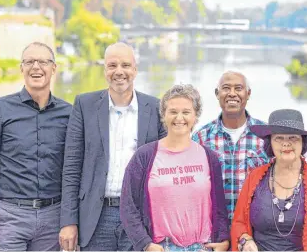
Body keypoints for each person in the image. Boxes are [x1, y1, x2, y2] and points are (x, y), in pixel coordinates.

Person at [59, 42, 166, 251]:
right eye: (112, 65)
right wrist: (68, 221)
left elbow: (166, 167)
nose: (119, 72)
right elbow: (71, 168)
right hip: (95, 217)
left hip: (139, 216)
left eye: (126, 65)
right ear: (104, 70)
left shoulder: (155, 108)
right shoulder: (84, 105)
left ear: (135, 69)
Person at [0, 42, 72, 251]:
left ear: (53, 68)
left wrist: (70, 220)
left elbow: (74, 170)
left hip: (53, 218)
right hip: (9, 219)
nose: (36, 67)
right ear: (21, 69)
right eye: (29, 62)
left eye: (43, 62)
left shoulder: (70, 113)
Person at [120, 84, 229, 252]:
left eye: (186, 112)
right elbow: (128, 205)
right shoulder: (144, 156)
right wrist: (145, 244)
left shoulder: (209, 158)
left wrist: (223, 240)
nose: (179, 118)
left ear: (195, 116)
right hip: (162, 247)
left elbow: (220, 208)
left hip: (202, 247)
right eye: (173, 112)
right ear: (164, 115)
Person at [231, 109, 307, 251]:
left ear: (303, 142)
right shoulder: (254, 177)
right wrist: (245, 241)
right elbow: (239, 223)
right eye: (279, 138)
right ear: (270, 142)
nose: (286, 144)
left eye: (293, 138)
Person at [192, 70, 268, 225]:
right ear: (217, 93)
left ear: (248, 93)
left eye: (238, 88)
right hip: (214, 230)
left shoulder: (266, 135)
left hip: (255, 230)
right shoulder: (201, 138)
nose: (232, 94)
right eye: (226, 88)